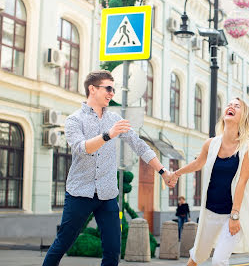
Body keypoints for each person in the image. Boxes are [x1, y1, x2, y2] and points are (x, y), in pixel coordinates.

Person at [42, 70, 174, 266]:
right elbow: (81, 149)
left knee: (113, 250)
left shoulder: (115, 119)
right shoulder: (74, 120)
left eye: (114, 89)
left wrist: (163, 171)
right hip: (80, 193)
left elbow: (139, 146)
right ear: (92, 89)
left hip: (107, 194)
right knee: (63, 243)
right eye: (108, 88)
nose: (112, 93)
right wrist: (108, 135)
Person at [169, 97, 249, 266]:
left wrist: (235, 216)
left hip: (231, 214)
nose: (231, 107)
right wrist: (176, 173)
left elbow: (242, 182)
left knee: (219, 260)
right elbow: (197, 164)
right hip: (210, 212)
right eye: (229, 104)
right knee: (197, 256)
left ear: (243, 117)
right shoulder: (210, 144)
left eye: (237, 106)